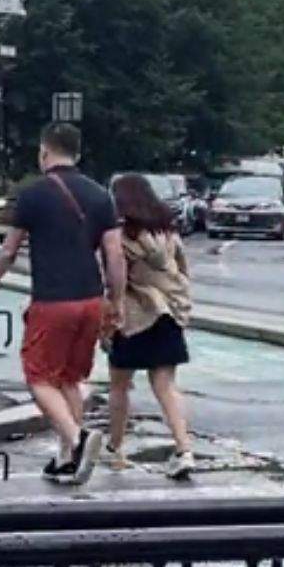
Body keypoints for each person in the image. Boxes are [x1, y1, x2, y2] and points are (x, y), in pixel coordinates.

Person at [0, 123, 126, 486]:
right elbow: (114, 255)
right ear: (77, 153)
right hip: (91, 300)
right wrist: (117, 300)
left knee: (38, 377)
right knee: (69, 378)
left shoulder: (33, 195)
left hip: (53, 300)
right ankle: (66, 458)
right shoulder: (100, 195)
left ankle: (77, 440)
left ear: (44, 152)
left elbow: (8, 250)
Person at [103, 173, 195, 480]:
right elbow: (183, 269)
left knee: (119, 385)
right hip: (168, 314)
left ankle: (115, 447)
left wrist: (108, 314)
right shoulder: (167, 230)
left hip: (133, 316)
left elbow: (113, 277)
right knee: (166, 387)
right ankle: (184, 449)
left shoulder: (120, 234)